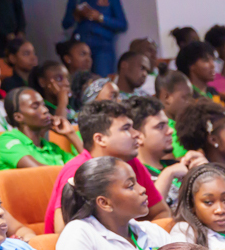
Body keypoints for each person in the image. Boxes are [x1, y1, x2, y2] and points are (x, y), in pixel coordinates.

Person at [55, 156, 172, 250]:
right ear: (104, 203)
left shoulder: (152, 231)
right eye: (130, 186)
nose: (142, 189)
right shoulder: (79, 232)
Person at [43, 100, 167, 233]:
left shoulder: (129, 162)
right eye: (126, 129)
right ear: (100, 139)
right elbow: (64, 232)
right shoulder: (76, 171)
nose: (136, 134)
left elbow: (161, 211)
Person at [62, 0, 127, 78]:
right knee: (80, 82)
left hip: (102, 48)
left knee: (101, 82)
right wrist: (75, 16)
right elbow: (65, 24)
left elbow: (122, 25)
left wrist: (100, 18)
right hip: (80, 47)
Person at [0, 86, 80, 169]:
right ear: (18, 117)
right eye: (35, 107)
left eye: (43, 105)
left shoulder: (51, 147)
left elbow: (87, 168)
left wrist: (71, 134)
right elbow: (41, 173)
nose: (45, 110)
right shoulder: (7, 139)